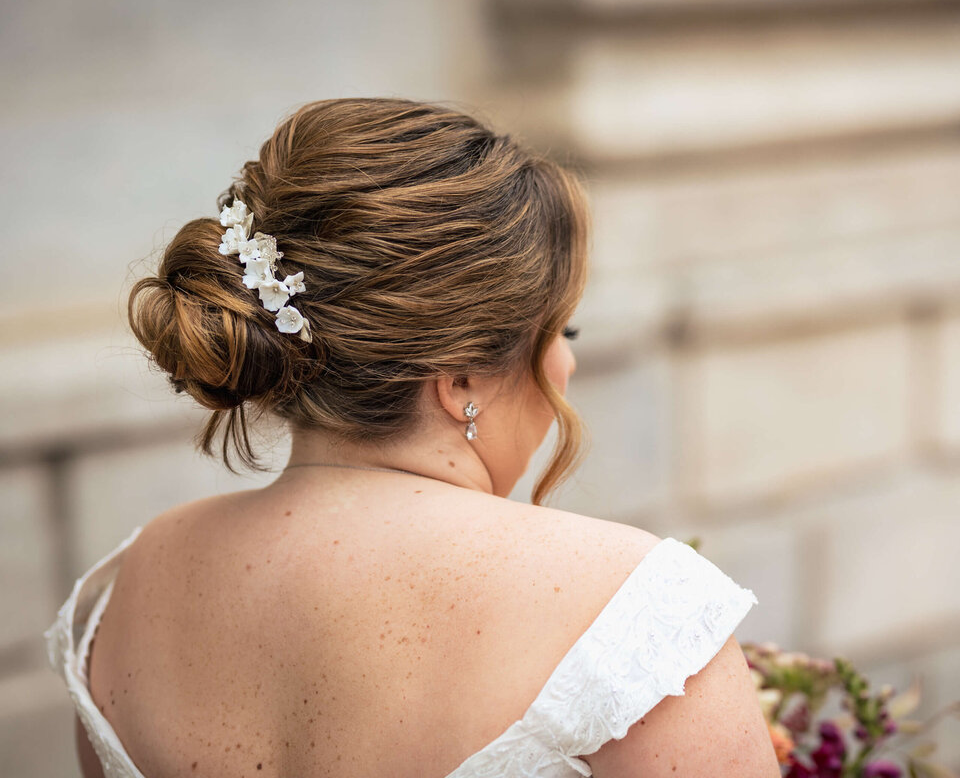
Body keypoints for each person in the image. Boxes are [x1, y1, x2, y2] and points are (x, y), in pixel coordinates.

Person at [45, 98, 779, 778]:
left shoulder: (130, 585)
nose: (568, 363)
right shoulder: (635, 613)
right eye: (562, 331)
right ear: (460, 378)